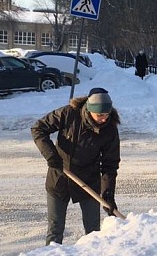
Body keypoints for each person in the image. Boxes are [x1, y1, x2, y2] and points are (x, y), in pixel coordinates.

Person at [31, 87, 121, 245]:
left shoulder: (110, 129)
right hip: (59, 178)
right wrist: (51, 155)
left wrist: (107, 194)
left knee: (93, 233)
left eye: (107, 115)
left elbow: (110, 165)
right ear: (89, 109)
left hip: (89, 182)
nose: (104, 119)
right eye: (100, 115)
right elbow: (38, 129)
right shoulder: (68, 114)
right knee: (55, 229)